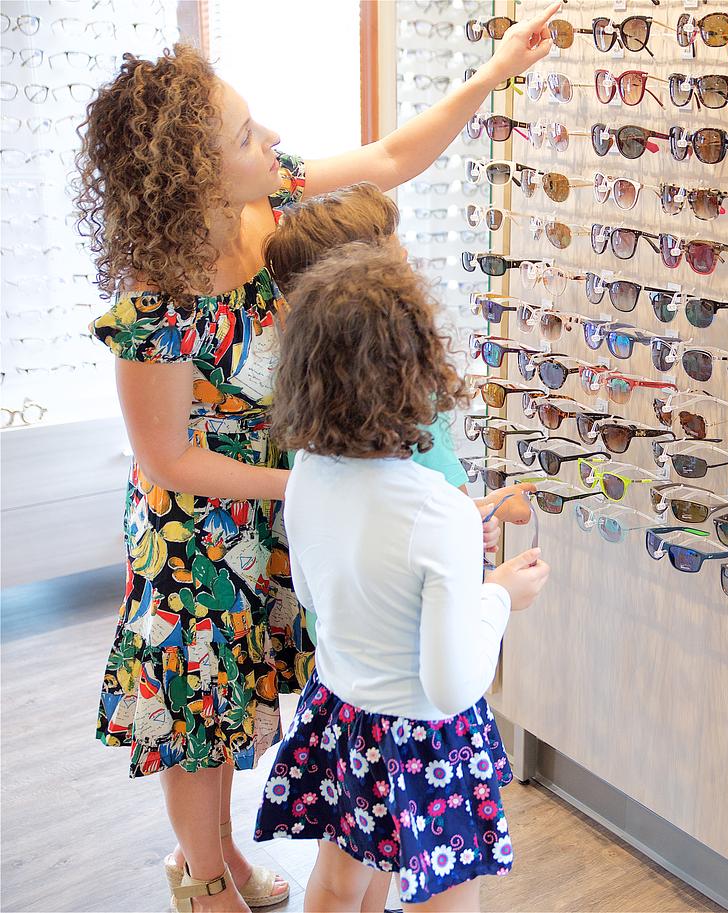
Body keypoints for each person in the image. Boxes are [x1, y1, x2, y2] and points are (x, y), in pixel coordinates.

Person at [75, 4, 561, 910]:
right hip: (199, 524)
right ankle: (206, 875)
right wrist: (313, 483)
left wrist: (494, 72)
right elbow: (168, 457)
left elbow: (391, 158)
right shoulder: (157, 297)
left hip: (297, 492)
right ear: (193, 174)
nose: (269, 138)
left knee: (271, 685)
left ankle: (223, 858)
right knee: (202, 711)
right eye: (245, 133)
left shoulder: (268, 197)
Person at [256, 241, 550, 912]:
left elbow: (316, 595)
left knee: (338, 883)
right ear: (417, 370)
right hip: (428, 739)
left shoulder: (305, 475)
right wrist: (499, 596)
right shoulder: (439, 512)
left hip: (343, 716)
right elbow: (451, 686)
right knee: (444, 897)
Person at [261, 181, 539, 645]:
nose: (407, 256)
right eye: (393, 252)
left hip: (338, 645)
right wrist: (499, 591)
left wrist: (476, 513)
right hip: (422, 641)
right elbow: (449, 655)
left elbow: (368, 520)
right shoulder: (412, 399)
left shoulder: (304, 398)